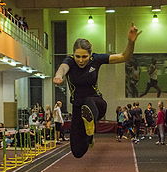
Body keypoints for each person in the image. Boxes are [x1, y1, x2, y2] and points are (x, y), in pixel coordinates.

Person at [53, 23, 141, 158]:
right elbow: (62, 68)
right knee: (77, 152)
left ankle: (91, 124)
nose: (81, 60)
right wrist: (59, 76)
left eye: (84, 57)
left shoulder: (96, 59)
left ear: (90, 54)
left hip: (97, 104)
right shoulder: (69, 61)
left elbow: (124, 57)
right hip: (78, 107)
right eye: (78, 56)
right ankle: (89, 135)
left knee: (88, 102)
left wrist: (131, 42)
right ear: (73, 54)